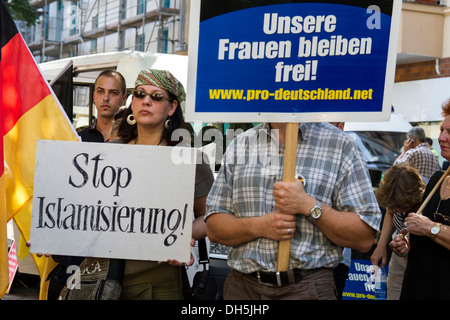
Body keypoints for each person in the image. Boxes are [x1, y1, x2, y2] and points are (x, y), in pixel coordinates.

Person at [205, 122, 382, 300]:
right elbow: (213, 228)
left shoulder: (339, 145)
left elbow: (365, 237)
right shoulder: (241, 144)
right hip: (243, 289)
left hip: (308, 288)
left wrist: (310, 206)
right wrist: (259, 226)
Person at [110, 68, 214, 299]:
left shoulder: (190, 159)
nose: (146, 101)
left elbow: (210, 217)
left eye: (156, 96)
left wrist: (182, 236)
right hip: (102, 277)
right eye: (139, 94)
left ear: (172, 108)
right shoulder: (108, 153)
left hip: (157, 280)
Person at [391, 100, 450, 299]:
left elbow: (427, 226)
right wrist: (407, 243)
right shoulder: (437, 178)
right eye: (442, 130)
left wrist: (429, 228)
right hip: (417, 287)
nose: (441, 137)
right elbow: (421, 234)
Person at [370, 163, 425, 299]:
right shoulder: (395, 201)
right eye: (396, 207)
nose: (398, 211)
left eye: (402, 207)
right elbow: (389, 212)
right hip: (400, 258)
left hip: (422, 261)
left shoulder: (427, 199)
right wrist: (381, 245)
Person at [78, 70, 127, 142]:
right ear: (94, 97)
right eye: (101, 91)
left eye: (113, 93)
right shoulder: (79, 139)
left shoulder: (131, 138)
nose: (106, 98)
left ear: (123, 99)